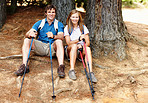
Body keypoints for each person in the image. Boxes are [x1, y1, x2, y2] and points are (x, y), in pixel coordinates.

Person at [14, 5, 65, 78]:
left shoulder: (58, 24)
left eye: (53, 12)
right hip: (41, 46)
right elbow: (27, 34)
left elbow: (61, 36)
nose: (51, 14)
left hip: (52, 47)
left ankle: (61, 67)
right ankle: (24, 65)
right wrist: (30, 34)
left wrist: (54, 36)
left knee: (59, 41)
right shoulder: (40, 23)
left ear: (55, 13)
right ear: (46, 13)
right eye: (49, 12)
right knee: (26, 40)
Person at [64, 9, 97, 83]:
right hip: (70, 50)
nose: (75, 19)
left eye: (76, 17)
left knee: (88, 49)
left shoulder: (83, 27)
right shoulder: (67, 28)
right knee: (74, 46)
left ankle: (90, 72)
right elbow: (68, 43)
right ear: (70, 18)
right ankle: (71, 70)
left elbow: (88, 43)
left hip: (80, 50)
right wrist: (78, 40)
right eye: (73, 17)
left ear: (79, 18)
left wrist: (82, 46)